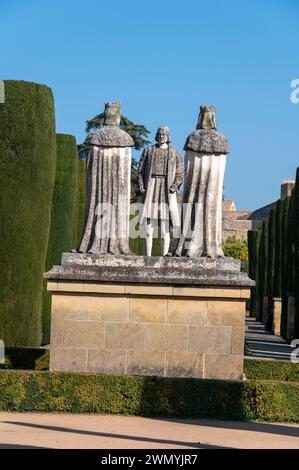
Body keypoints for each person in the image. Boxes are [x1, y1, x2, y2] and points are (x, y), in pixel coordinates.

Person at [138, 126, 183, 256]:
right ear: (156, 135)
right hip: (151, 187)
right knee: (149, 225)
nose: (162, 135)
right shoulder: (148, 150)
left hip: (166, 189)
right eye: (160, 133)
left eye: (164, 133)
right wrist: (141, 184)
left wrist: (175, 185)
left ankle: (164, 256)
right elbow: (140, 171)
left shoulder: (174, 152)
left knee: (165, 225)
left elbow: (180, 173)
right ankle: (148, 256)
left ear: (168, 136)